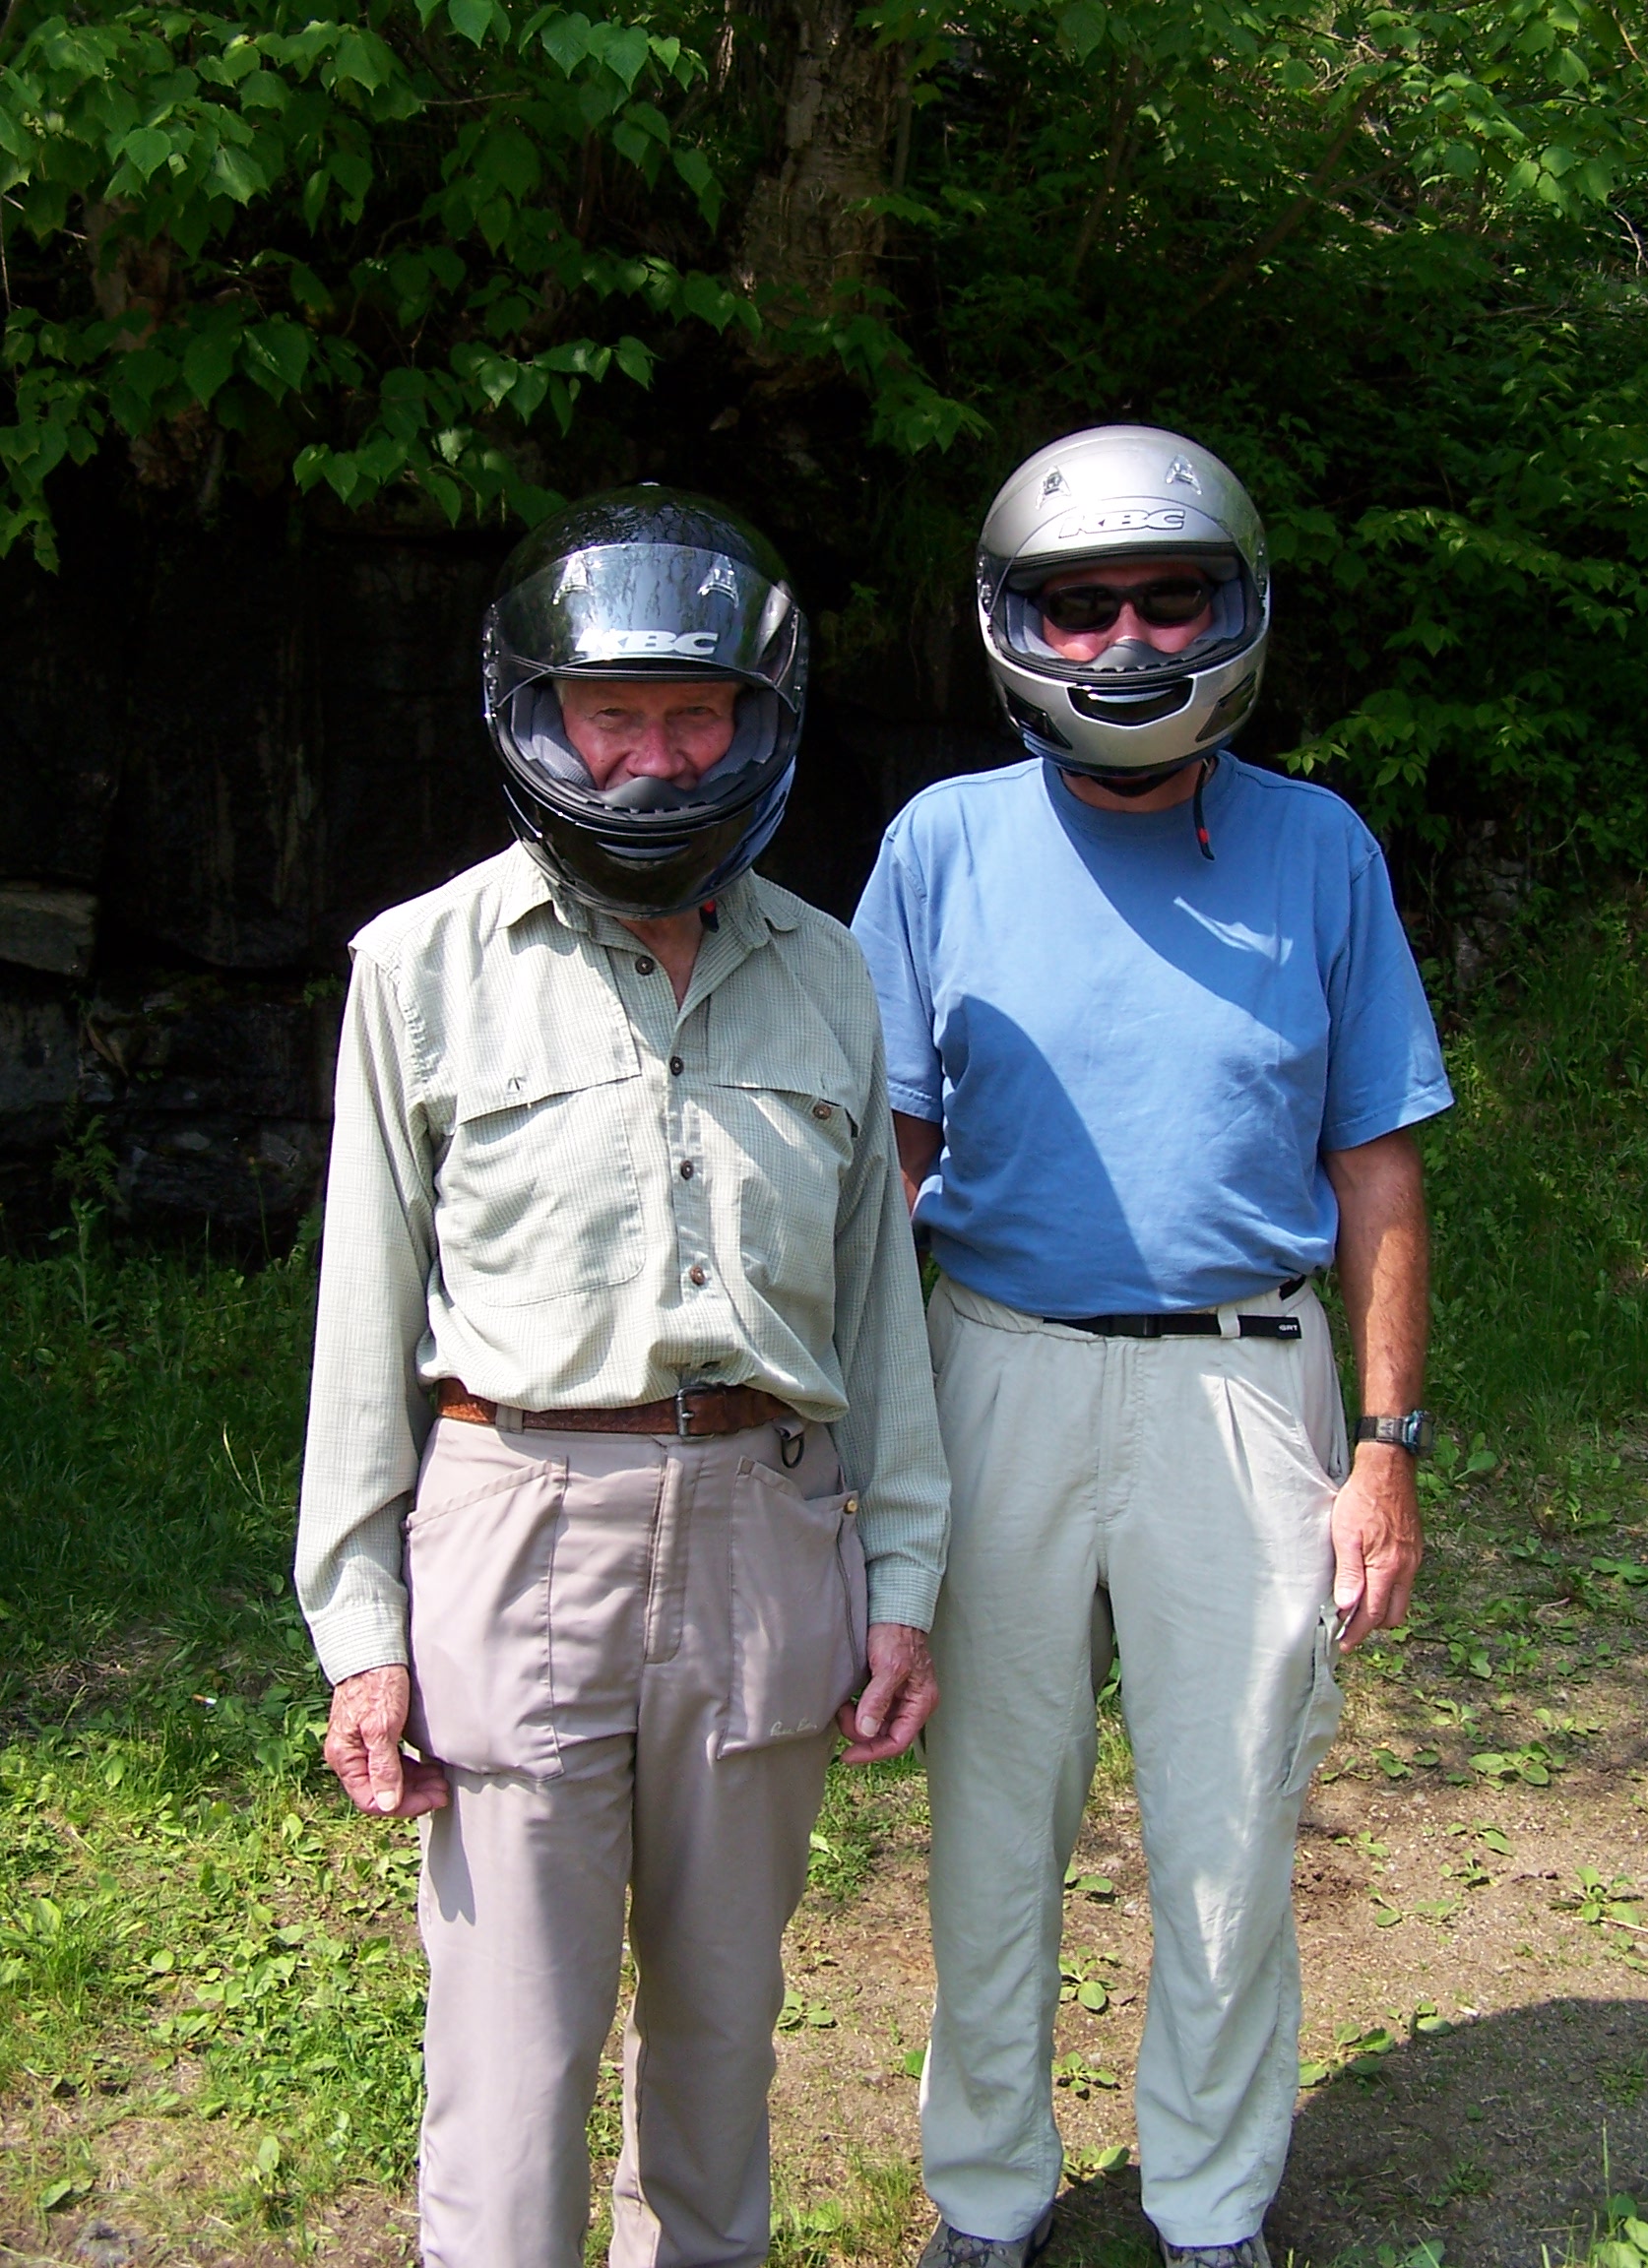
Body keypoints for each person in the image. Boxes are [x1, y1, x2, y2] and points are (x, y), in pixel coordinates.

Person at [293, 487, 950, 2268]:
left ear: (757, 722)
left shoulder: (827, 974)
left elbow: (882, 1312)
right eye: (614, 714)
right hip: (518, 1534)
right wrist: (362, 1628)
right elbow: (364, 1321)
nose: (655, 757)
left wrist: (903, 1583)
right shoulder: (421, 970)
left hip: (764, 1530)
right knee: (515, 2061)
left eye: (693, 714)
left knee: (726, 2040)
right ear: (540, 716)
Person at [851, 425, 1453, 2268]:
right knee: (991, 1826)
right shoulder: (942, 841)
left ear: (1230, 608)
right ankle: (986, 2198)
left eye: (1165, 595)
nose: (1123, 637)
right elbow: (885, 1171)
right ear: (1016, 620)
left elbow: (1380, 1169)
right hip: (995, 1370)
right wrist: (860, 1454)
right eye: (1078, 601)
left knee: (1228, 1822)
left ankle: (1210, 2208)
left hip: (1242, 1384)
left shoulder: (1318, 844)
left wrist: (1384, 1447)